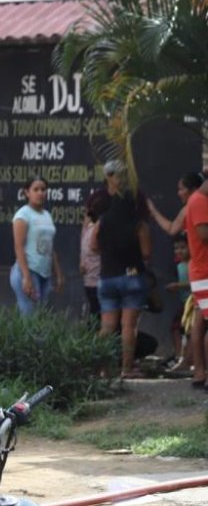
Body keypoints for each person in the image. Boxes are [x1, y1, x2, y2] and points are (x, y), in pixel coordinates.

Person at [92, 159, 152, 379]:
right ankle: (126, 368)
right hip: (132, 276)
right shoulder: (138, 222)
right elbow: (146, 252)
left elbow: (92, 245)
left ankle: (101, 368)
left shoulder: (104, 219)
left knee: (106, 326)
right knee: (129, 326)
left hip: (107, 277)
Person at [10, 177, 63, 314]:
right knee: (30, 318)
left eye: (43, 190)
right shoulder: (23, 215)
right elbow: (19, 247)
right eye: (36, 189)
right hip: (29, 271)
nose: (40, 193)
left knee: (43, 316)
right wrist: (26, 277)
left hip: (45, 273)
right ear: (27, 192)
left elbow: (50, 247)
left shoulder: (47, 215)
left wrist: (58, 273)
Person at [184, 171, 208, 388]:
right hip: (205, 273)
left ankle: (200, 374)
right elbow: (203, 234)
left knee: (200, 325)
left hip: (201, 272)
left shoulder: (198, 200)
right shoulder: (200, 201)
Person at [81, 190, 111, 321]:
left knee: (96, 317)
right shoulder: (97, 230)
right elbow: (95, 247)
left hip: (90, 283)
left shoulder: (88, 230)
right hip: (98, 282)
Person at [148, 171, 204, 237]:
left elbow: (172, 229)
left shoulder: (188, 209)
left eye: (182, 189)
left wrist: (153, 211)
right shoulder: (186, 210)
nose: (179, 193)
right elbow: (172, 229)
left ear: (194, 190)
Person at [166, 234, 192, 371]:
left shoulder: (193, 264)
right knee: (176, 328)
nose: (179, 251)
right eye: (176, 248)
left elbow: (195, 283)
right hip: (183, 303)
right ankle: (179, 356)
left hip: (193, 304)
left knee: (190, 332)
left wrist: (178, 285)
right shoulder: (179, 265)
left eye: (183, 247)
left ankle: (187, 359)